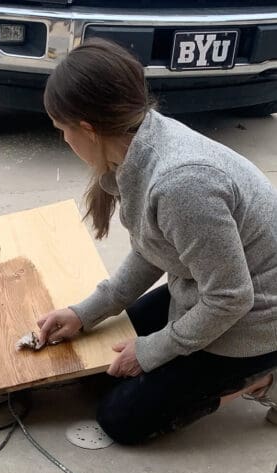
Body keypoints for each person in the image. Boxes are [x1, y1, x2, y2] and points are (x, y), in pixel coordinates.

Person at [38, 39, 277, 445]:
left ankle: (263, 379)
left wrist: (150, 351)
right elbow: (154, 249)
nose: (63, 141)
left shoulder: (181, 184)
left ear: (89, 129)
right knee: (97, 374)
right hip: (209, 289)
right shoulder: (140, 144)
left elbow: (232, 297)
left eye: (62, 130)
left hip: (257, 315)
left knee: (121, 418)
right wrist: (85, 313)